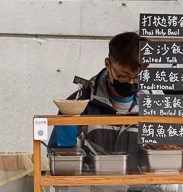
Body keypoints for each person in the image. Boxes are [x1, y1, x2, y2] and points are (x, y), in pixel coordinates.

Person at [48, 30, 144, 170]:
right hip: (89, 190)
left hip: (141, 191)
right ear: (107, 64)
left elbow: (162, 164)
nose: (131, 82)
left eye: (138, 77)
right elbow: (61, 163)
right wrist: (84, 191)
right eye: (124, 75)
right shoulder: (76, 107)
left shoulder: (153, 107)